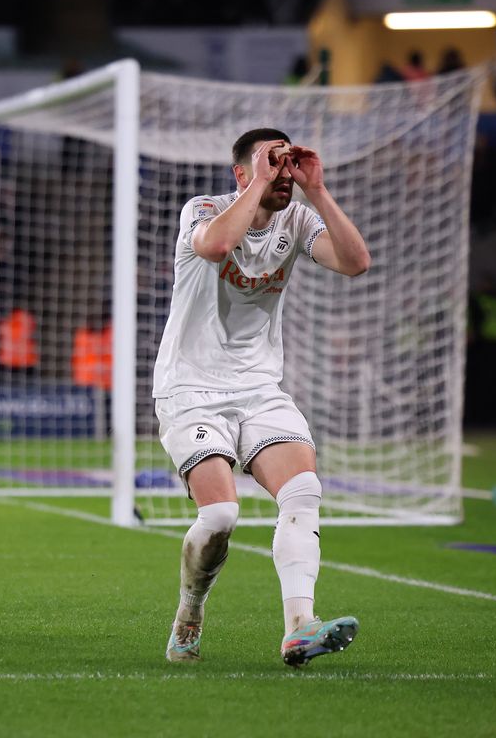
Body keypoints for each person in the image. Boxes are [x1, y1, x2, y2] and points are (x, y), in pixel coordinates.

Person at [154, 128, 371, 667]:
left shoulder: (297, 220)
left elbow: (355, 262)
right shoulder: (203, 209)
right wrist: (260, 178)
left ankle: (299, 627)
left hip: (259, 388)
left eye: (287, 162)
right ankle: (189, 613)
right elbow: (217, 246)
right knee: (222, 516)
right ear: (242, 173)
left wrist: (315, 190)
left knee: (303, 491)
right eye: (271, 162)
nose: (282, 173)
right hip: (191, 388)